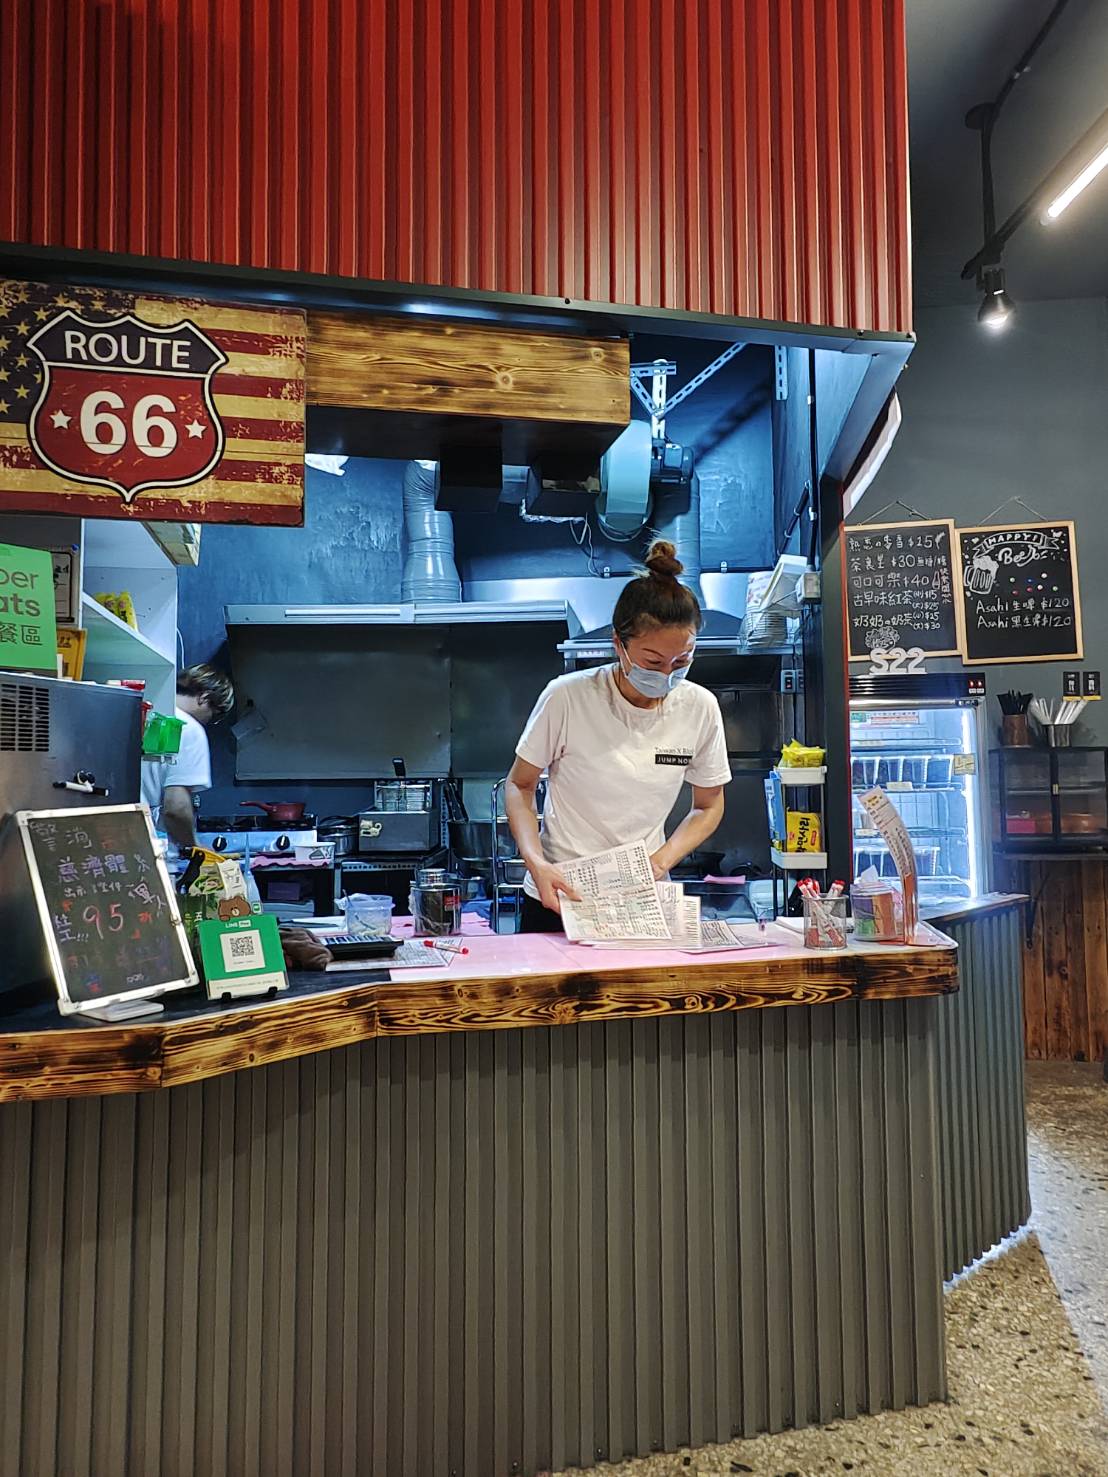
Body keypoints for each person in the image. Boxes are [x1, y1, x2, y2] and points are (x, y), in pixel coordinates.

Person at [506, 539, 730, 933]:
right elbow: (520, 785)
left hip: (641, 900)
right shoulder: (567, 697)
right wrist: (536, 863)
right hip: (558, 897)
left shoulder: (699, 707)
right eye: (652, 661)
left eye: (682, 661)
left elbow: (708, 805)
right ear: (618, 644)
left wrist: (660, 862)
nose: (666, 675)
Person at [140, 664, 234, 850]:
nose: (210, 721)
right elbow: (176, 808)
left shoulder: (150, 715)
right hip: (143, 840)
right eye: (215, 715)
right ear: (204, 698)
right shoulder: (188, 728)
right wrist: (194, 846)